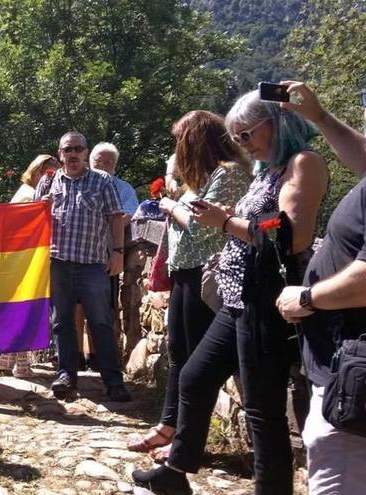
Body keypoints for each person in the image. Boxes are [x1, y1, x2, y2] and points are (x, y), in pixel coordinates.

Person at [133, 89, 328, 495]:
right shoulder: (267, 170)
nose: (243, 144)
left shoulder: (303, 164)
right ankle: (176, 471)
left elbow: (289, 237)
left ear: (277, 124)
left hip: (267, 299)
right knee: (194, 375)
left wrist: (225, 223)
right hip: (237, 296)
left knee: (262, 408)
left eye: (247, 134)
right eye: (237, 136)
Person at [126, 111, 251, 461]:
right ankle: (169, 424)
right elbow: (185, 196)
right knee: (179, 352)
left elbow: (202, 227)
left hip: (206, 273)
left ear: (196, 140)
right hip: (185, 270)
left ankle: (185, 440)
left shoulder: (229, 175)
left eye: (180, 140)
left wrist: (168, 206)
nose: (177, 148)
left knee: (196, 360)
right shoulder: (205, 177)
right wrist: (172, 184)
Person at [274, 81, 366, 495]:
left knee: (338, 479)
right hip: (344, 365)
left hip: (354, 376)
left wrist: (308, 297)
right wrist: (320, 116)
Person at [38, 131, 131, 402]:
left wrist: (117, 252)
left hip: (93, 264)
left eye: (78, 148)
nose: (73, 154)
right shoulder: (50, 183)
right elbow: (35, 220)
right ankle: (66, 375)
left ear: (85, 152)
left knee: (101, 323)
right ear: (60, 154)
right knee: (61, 322)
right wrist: (40, 208)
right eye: (68, 149)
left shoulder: (101, 180)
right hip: (58, 263)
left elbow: (116, 218)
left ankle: (113, 382)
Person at [0, 154, 59, 377]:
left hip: (23, 256)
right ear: (36, 171)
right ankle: (20, 361)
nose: (49, 177)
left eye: (53, 172)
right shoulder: (29, 194)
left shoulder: (27, 193)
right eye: (46, 172)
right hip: (25, 256)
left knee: (21, 305)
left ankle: (9, 357)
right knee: (26, 306)